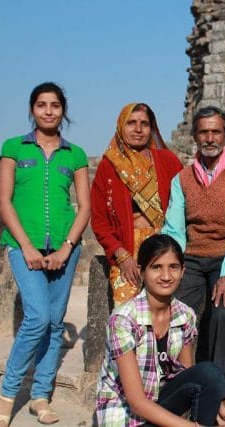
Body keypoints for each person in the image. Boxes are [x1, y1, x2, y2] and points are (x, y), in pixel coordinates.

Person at [0, 82, 91, 426]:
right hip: (23, 245)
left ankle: (40, 396)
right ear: (32, 109)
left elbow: (84, 206)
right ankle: (7, 396)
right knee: (37, 317)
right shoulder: (13, 148)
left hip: (65, 248)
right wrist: (28, 246)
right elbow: (4, 201)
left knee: (54, 322)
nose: (49, 111)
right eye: (41, 105)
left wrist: (66, 247)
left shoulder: (74, 154)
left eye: (55, 105)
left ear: (64, 110)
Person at [162, 106, 225, 392]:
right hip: (192, 258)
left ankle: (220, 393)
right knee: (173, 309)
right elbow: (175, 230)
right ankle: (175, 384)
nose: (210, 138)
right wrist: (171, 267)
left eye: (216, 131)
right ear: (194, 136)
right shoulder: (182, 179)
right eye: (204, 131)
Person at [95, 234, 225, 426]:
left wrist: (215, 403)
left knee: (210, 374)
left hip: (159, 405)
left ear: (183, 271)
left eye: (173, 267)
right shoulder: (123, 320)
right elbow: (136, 403)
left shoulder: (185, 316)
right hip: (125, 415)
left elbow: (188, 375)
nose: (166, 276)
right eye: (156, 267)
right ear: (141, 272)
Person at [91, 103, 182, 305]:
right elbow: (99, 221)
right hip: (126, 248)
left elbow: (184, 204)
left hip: (164, 243)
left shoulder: (168, 161)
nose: (138, 129)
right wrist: (122, 256)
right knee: (126, 311)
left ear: (152, 129)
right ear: (121, 126)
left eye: (144, 124)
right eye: (131, 123)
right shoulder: (109, 166)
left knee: (163, 306)